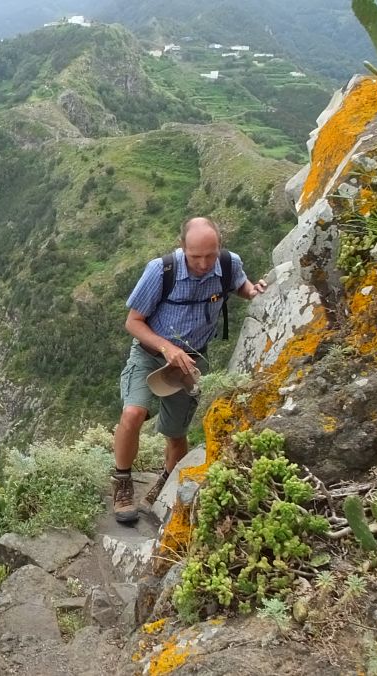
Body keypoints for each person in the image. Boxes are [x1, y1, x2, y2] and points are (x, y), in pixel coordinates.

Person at [112, 217, 268, 524]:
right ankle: (123, 484)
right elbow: (133, 322)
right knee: (133, 414)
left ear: (219, 247)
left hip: (192, 361)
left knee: (176, 432)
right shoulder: (161, 271)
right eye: (196, 256)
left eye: (210, 255)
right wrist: (167, 347)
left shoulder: (228, 264)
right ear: (183, 247)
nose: (204, 263)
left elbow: (241, 286)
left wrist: (254, 291)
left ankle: (165, 484)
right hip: (151, 356)